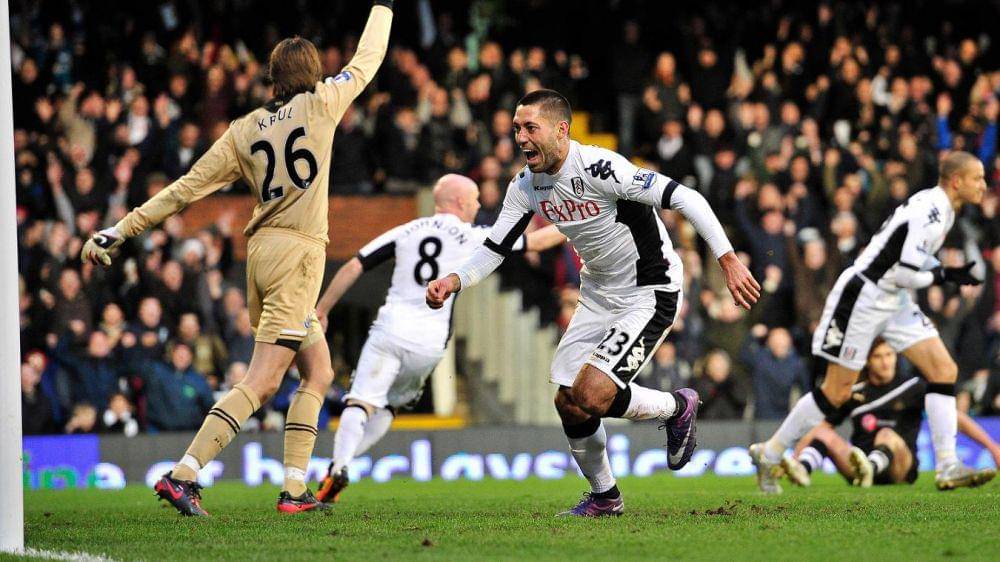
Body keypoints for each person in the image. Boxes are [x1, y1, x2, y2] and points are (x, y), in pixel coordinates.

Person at [80, 0, 395, 515]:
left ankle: (294, 489)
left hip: (260, 254)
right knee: (263, 380)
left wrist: (121, 229)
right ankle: (183, 474)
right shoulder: (323, 101)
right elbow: (368, 58)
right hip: (297, 256)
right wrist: (382, 6)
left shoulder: (244, 128)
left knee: (318, 371)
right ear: (313, 72)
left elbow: (184, 189)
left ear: (273, 77)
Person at [426, 89, 759, 517]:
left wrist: (727, 258)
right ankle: (605, 497)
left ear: (561, 130)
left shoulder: (601, 168)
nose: (521, 137)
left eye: (530, 128)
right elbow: (495, 247)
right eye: (517, 128)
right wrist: (454, 280)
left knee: (592, 393)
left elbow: (686, 197)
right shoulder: (526, 185)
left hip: (649, 290)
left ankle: (677, 407)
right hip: (598, 293)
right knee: (568, 403)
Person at [750, 151, 993, 493]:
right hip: (864, 297)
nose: (984, 185)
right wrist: (944, 276)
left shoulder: (943, 209)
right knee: (836, 392)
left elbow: (908, 260)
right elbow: (906, 273)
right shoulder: (932, 212)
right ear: (957, 181)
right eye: (977, 178)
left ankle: (948, 465)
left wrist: (943, 271)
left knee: (943, 370)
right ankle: (770, 453)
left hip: (893, 299)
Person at [313, 174, 565, 503]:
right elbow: (536, 242)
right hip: (429, 345)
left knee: (361, 400)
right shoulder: (474, 236)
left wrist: (322, 310)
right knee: (389, 406)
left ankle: (339, 465)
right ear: (459, 202)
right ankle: (338, 466)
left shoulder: (407, 230)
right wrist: (581, 220)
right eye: (474, 200)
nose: (477, 205)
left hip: (390, 330)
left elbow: (354, 266)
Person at [789, 340, 998, 488]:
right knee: (824, 434)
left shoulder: (912, 387)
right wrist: (796, 455)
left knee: (886, 434)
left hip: (901, 468)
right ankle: (802, 470)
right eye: (878, 356)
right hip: (859, 468)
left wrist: (992, 447)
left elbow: (953, 418)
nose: (885, 362)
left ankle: (870, 468)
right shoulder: (855, 393)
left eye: (889, 355)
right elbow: (822, 428)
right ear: (867, 361)